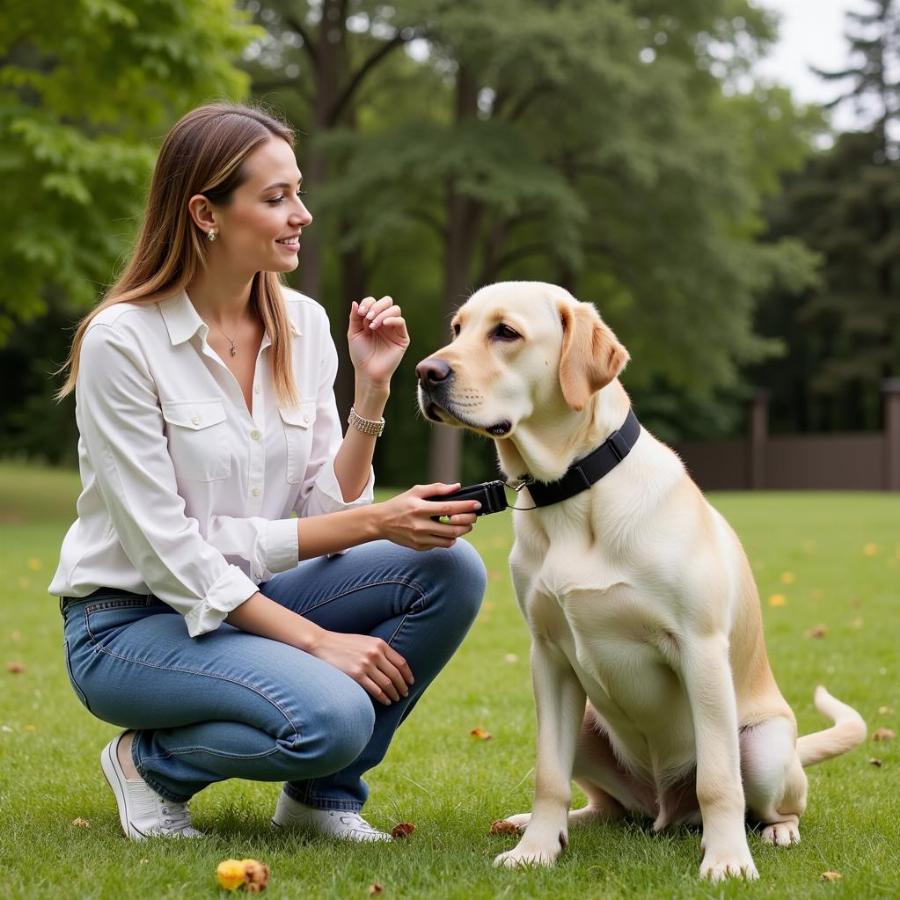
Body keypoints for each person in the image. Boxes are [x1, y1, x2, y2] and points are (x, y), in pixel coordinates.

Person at [48, 103, 487, 843]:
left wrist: (371, 391)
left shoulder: (307, 324)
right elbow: (169, 553)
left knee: (451, 569)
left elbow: (317, 510)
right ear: (205, 212)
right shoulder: (123, 342)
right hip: (128, 623)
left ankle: (321, 797)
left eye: (299, 192)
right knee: (333, 713)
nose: (302, 215)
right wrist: (316, 641)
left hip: (250, 596)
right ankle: (148, 764)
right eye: (276, 197)